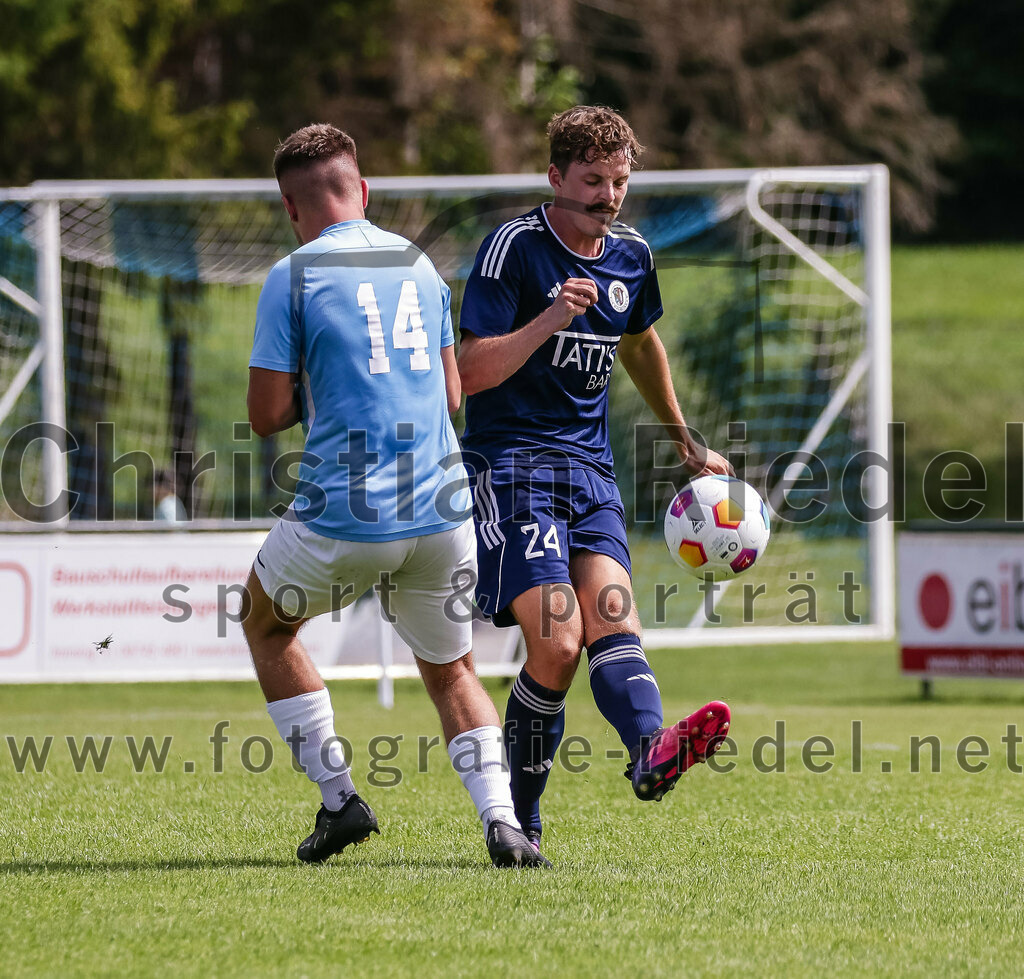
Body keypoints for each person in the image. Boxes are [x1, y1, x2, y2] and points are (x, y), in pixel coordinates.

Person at [242, 123, 547, 868]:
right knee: (453, 670)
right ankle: (504, 825)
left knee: (265, 622)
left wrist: (318, 387)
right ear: (364, 189)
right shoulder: (418, 263)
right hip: (444, 508)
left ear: (291, 206)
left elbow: (265, 415)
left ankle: (341, 798)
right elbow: (450, 396)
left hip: (346, 508)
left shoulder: (293, 275)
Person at [457, 106, 733, 854]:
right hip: (511, 467)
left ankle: (651, 751)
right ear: (555, 177)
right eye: (591, 181)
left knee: (612, 620)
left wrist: (684, 437)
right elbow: (469, 372)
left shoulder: (633, 255)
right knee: (556, 640)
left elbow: (641, 343)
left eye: (618, 182)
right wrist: (548, 319)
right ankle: (519, 816)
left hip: (590, 472)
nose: (607, 196)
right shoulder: (512, 250)